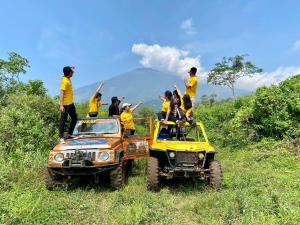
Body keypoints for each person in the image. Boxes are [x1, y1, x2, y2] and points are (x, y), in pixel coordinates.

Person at [59, 66, 78, 144]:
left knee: (74, 118)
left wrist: (71, 67)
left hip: (70, 103)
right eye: (72, 72)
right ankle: (61, 137)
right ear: (69, 73)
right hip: (65, 105)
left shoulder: (66, 77)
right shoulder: (64, 81)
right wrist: (61, 105)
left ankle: (69, 134)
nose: (73, 73)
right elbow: (61, 93)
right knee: (63, 121)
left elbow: (65, 69)